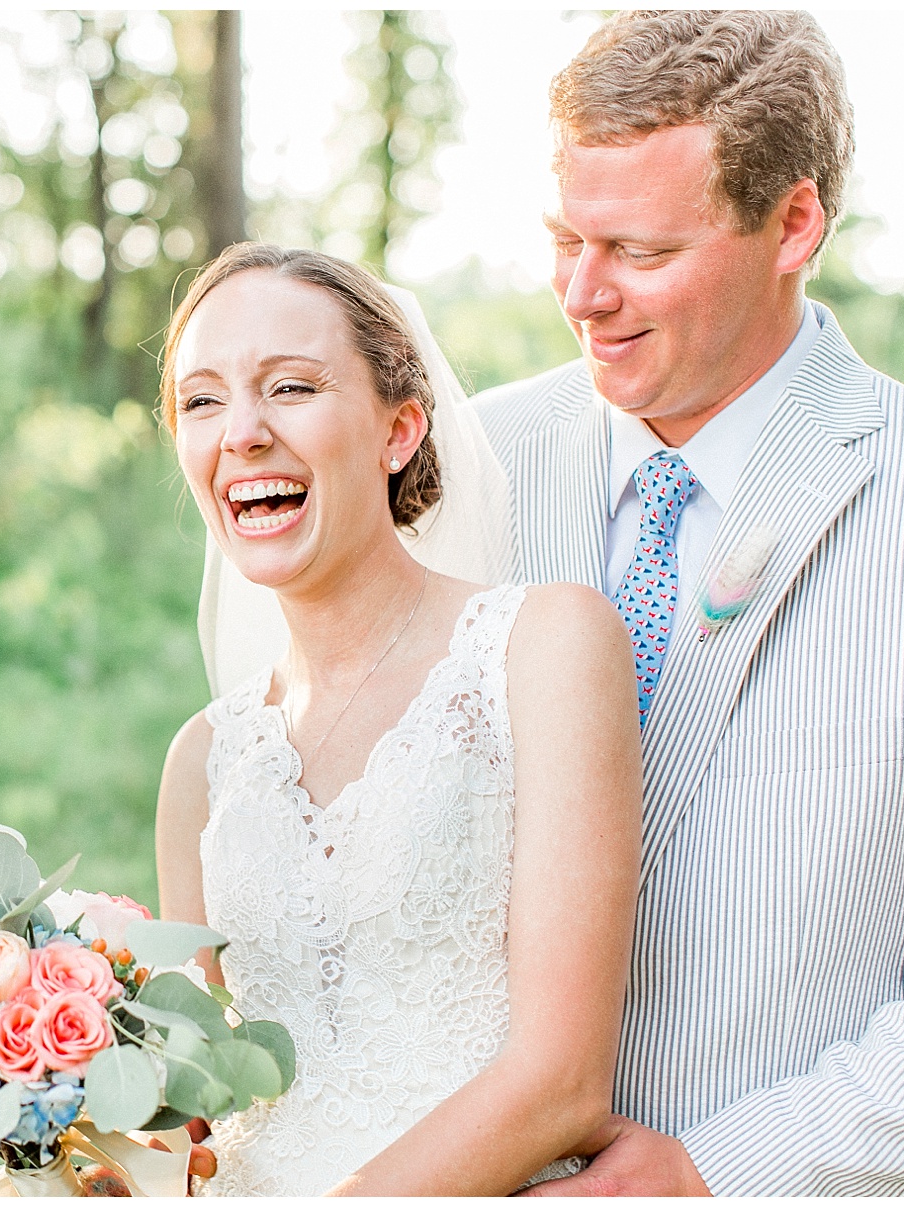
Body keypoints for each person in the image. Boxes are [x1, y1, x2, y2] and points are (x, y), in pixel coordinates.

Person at [467, 10, 904, 1196]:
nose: (582, 294)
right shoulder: (462, 467)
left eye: (639, 251)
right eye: (563, 239)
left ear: (795, 221)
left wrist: (707, 1174)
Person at [153, 241, 645, 1195]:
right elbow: (195, 1107)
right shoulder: (203, 760)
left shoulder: (543, 648)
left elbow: (562, 1081)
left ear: (400, 430)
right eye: (203, 400)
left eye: (290, 387)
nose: (241, 432)